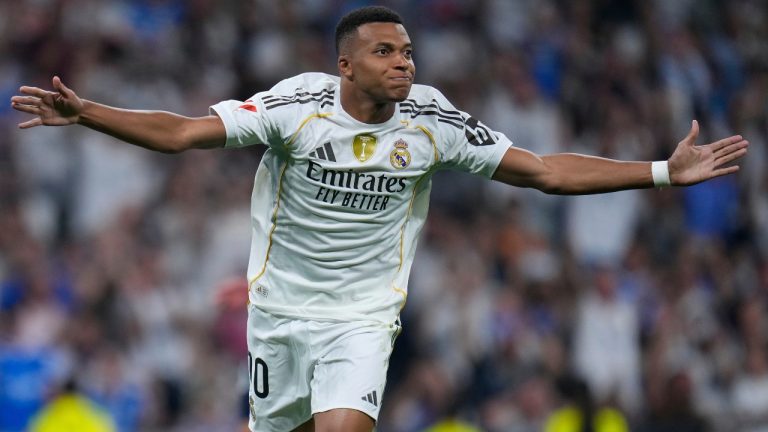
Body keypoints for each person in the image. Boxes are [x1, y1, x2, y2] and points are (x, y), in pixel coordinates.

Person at [9, 6, 748, 432]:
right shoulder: (293, 108)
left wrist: (661, 172)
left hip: (362, 318)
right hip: (279, 314)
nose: (405, 63)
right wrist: (88, 114)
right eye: (386, 52)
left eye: (409, 51)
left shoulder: (432, 121)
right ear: (346, 66)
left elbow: (546, 170)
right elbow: (179, 133)